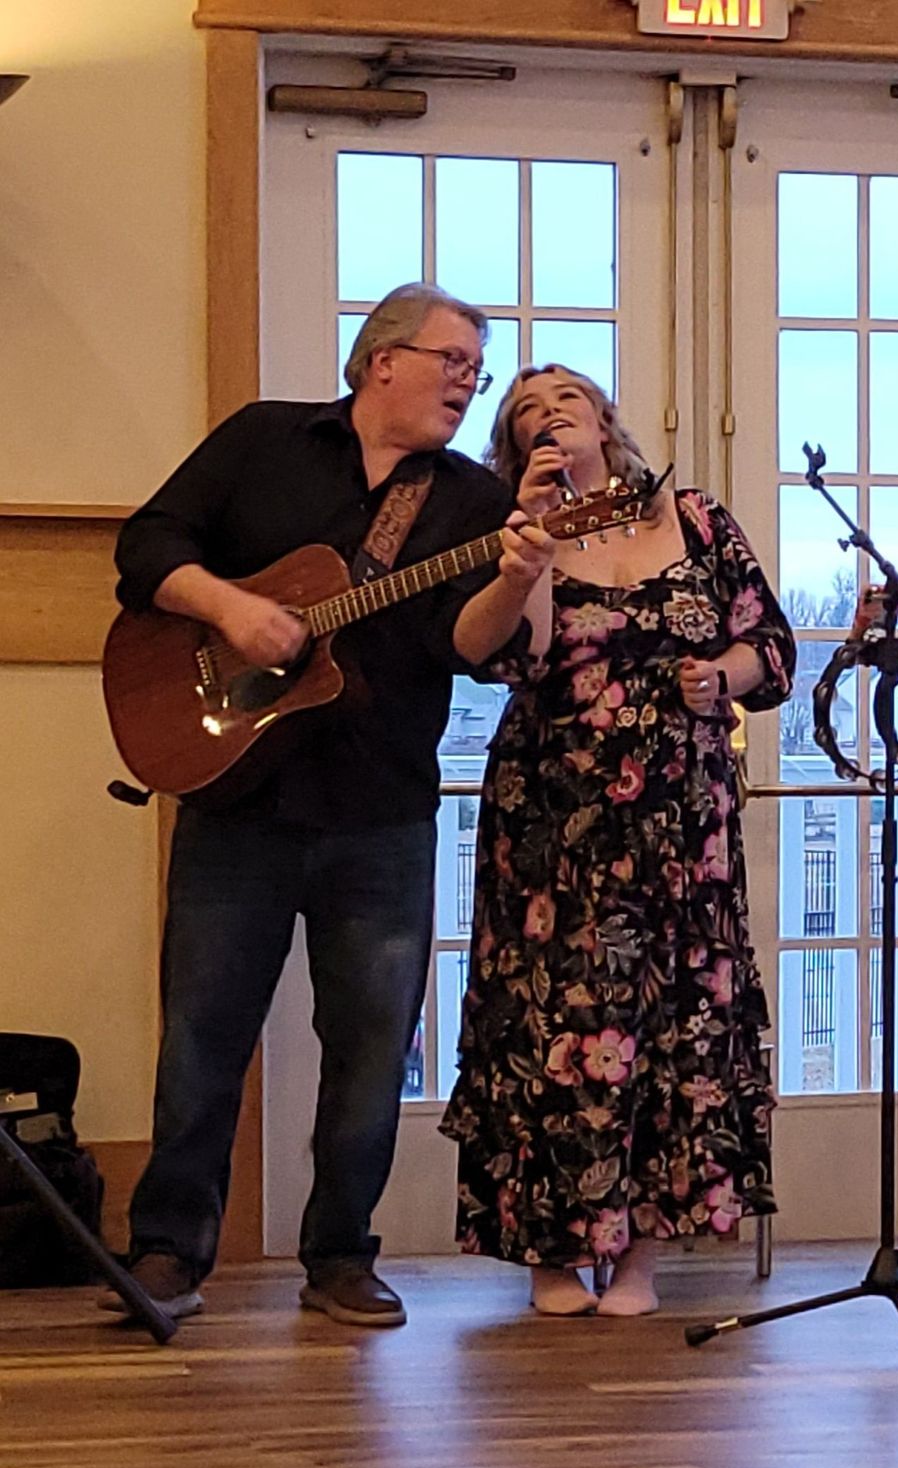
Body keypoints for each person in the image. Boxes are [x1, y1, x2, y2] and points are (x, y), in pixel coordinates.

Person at [100, 284, 553, 1327]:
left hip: (380, 810)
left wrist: (517, 573)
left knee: (371, 1048)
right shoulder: (265, 440)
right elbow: (146, 546)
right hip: (240, 802)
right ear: (382, 359)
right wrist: (231, 609)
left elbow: (466, 648)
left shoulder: (472, 503)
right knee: (202, 1036)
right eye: (451, 361)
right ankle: (168, 1252)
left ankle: (342, 1255)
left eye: (475, 370)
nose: (466, 384)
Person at [440, 364, 796, 1317]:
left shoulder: (698, 518)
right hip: (555, 827)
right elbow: (506, 658)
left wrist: (718, 677)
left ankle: (640, 1258)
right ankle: (550, 1256)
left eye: (566, 397)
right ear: (515, 449)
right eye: (526, 411)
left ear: (603, 420)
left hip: (683, 826)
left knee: (673, 1027)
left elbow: (769, 647)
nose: (549, 413)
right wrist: (529, 552)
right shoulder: (519, 534)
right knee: (555, 1026)